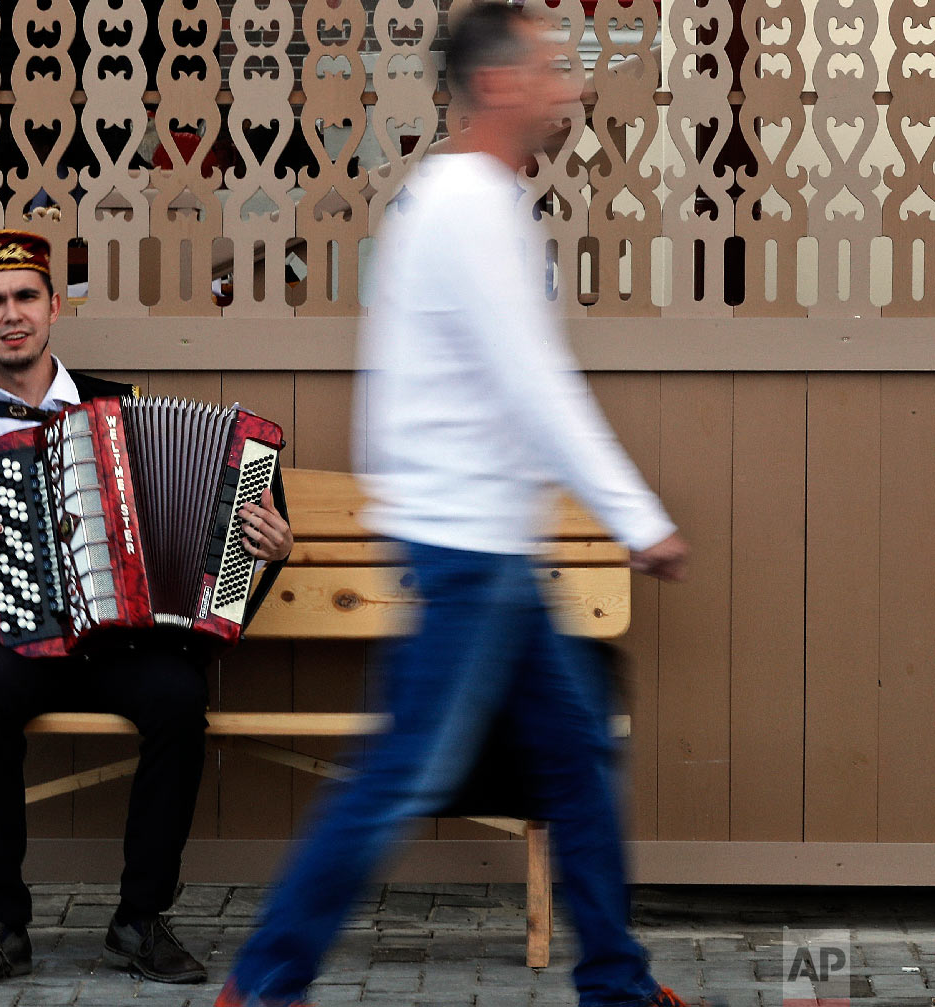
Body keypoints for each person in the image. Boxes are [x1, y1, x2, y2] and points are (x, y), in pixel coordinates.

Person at [215, 6, 694, 1007]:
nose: (569, 86)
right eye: (553, 69)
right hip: (468, 554)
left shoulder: (460, 201)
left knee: (578, 764)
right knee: (402, 779)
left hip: (485, 552)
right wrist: (636, 514)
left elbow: (433, 390)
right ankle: (262, 980)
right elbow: (536, 382)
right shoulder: (470, 206)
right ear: (499, 84)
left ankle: (618, 980)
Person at [0, 228, 294, 988]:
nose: (11, 313)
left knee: (180, 698)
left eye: (26, 295)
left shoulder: (120, 408)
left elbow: (228, 521)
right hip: (19, 637)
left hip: (127, 641)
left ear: (55, 306)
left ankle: (139, 919)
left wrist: (270, 544)